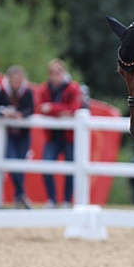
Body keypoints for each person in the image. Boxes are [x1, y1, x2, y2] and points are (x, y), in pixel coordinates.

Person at [36, 58, 84, 208]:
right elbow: (38, 108)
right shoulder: (44, 89)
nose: (56, 75)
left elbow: (74, 109)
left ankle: (65, 201)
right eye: (52, 72)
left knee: (71, 169)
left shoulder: (73, 88)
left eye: (58, 71)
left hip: (69, 137)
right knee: (46, 165)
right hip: (53, 136)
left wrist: (51, 108)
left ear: (64, 72)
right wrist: (61, 110)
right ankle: (52, 199)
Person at [0, 66, 35, 209]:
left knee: (20, 165)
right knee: (12, 161)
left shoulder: (27, 92)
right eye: (14, 79)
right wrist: (5, 112)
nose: (16, 83)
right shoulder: (2, 92)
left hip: (22, 136)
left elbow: (31, 109)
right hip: (8, 136)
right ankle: (21, 195)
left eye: (18, 79)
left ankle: (19, 197)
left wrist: (20, 114)